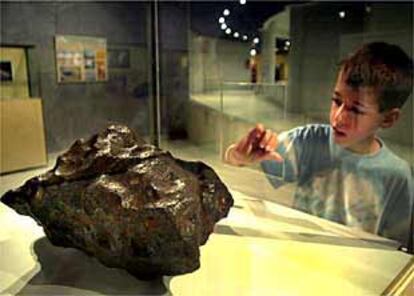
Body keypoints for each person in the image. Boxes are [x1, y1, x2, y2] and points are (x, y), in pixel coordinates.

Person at [224, 42, 414, 249]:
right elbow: (237, 161)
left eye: (356, 110)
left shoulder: (397, 175)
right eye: (336, 100)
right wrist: (239, 155)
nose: (338, 117)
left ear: (387, 119)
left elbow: (396, 247)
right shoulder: (309, 140)